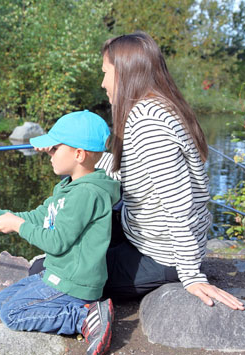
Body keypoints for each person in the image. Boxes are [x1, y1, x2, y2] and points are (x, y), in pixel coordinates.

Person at [30, 32, 244, 311]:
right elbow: (130, 170)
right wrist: (71, 156)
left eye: (106, 73)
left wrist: (190, 275)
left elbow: (180, 205)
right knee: (57, 250)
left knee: (42, 273)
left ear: (125, 73)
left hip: (160, 254)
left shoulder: (149, 125)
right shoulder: (150, 108)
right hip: (139, 231)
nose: (102, 82)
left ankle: (87, 318)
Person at [0, 110, 121, 355]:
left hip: (73, 283)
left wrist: (17, 226)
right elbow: (40, 216)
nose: (48, 153)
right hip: (57, 274)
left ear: (79, 154)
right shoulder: (69, 185)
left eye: (54, 149)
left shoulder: (86, 193)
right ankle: (81, 312)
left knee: (11, 314)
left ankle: (82, 317)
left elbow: (57, 242)